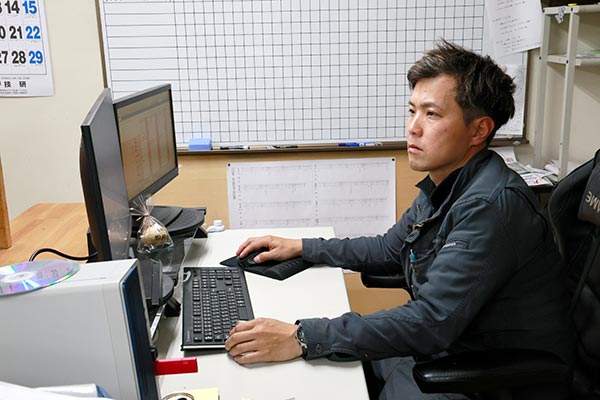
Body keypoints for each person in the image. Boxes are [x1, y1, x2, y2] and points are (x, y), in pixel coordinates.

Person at [224, 40, 574, 399]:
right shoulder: (449, 184)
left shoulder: (490, 207)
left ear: (478, 130)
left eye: (431, 114)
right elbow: (389, 248)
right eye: (412, 111)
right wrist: (302, 247)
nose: (413, 128)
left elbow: (432, 321)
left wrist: (302, 336)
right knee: (320, 373)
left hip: (485, 376)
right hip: (444, 349)